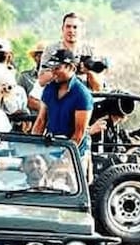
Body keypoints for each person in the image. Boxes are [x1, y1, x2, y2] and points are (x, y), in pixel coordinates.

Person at [31, 49, 94, 180]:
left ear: (71, 67)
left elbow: (78, 134)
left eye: (57, 68)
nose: (53, 72)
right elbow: (41, 121)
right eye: (52, 68)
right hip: (52, 147)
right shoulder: (49, 89)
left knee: (69, 188)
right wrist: (32, 149)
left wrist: (63, 160)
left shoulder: (82, 95)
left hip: (74, 152)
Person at [36, 12, 104, 92]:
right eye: (68, 27)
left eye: (75, 27)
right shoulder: (51, 50)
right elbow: (41, 81)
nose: (71, 30)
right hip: (57, 98)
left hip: (84, 98)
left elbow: (98, 88)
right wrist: (60, 69)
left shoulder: (90, 51)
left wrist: (88, 71)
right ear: (62, 29)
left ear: (82, 31)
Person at [17, 41, 45, 114]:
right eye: (39, 55)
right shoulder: (25, 77)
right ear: (35, 58)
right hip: (29, 119)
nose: (42, 58)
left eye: (45, 55)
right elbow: (18, 99)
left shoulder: (55, 78)